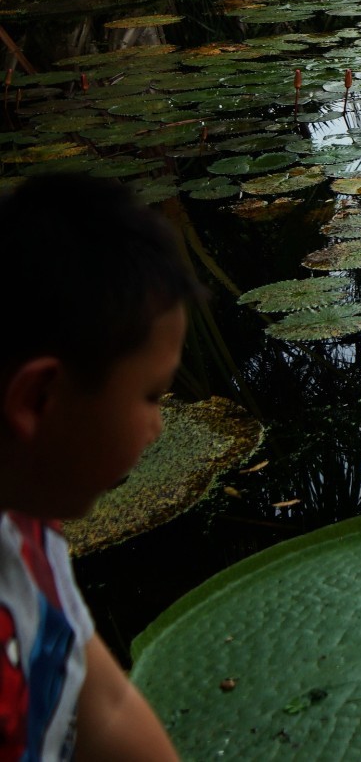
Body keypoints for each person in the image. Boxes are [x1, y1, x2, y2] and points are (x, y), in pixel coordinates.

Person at [0, 175, 190, 761]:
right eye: (151, 397)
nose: (159, 426)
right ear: (40, 399)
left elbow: (102, 704)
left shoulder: (28, 522)